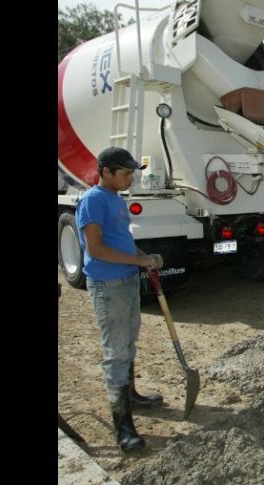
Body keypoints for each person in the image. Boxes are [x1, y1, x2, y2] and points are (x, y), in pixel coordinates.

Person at [76, 147, 165, 453]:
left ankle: (131, 397)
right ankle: (122, 426)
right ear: (106, 172)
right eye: (125, 173)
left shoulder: (117, 200)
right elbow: (97, 249)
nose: (131, 178)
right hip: (107, 285)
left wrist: (144, 257)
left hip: (127, 281)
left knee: (128, 343)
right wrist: (138, 262)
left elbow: (122, 240)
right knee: (115, 351)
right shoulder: (93, 201)